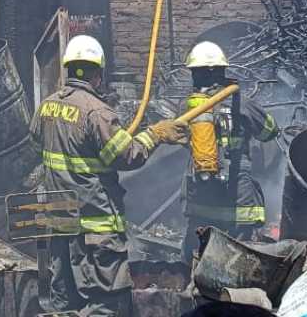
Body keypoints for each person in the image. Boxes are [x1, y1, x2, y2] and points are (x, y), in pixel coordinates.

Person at [30, 35, 190, 316]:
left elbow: (36, 144)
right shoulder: (97, 113)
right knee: (105, 302)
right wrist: (155, 134)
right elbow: (126, 157)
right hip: (95, 226)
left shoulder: (47, 106)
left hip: (59, 223)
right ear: (97, 73)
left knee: (63, 299)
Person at [181, 41, 279, 262]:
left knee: (200, 253)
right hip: (237, 194)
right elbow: (270, 131)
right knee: (240, 256)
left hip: (201, 193)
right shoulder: (240, 101)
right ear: (220, 71)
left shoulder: (187, 105)